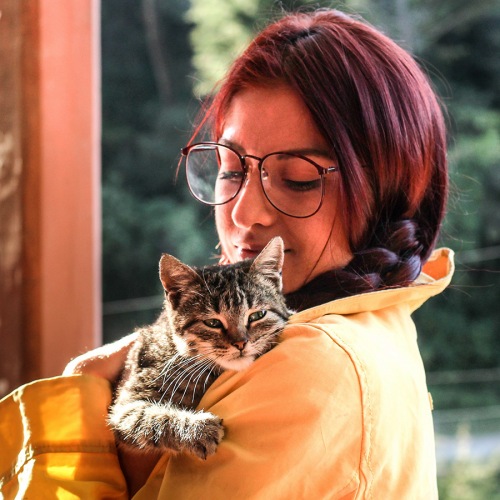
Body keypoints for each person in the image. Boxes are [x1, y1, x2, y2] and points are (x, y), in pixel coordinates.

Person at [0, 8, 454, 499]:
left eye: (299, 178)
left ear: (387, 193)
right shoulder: (380, 322)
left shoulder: (312, 362)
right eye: (232, 170)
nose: (244, 214)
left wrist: (75, 400)